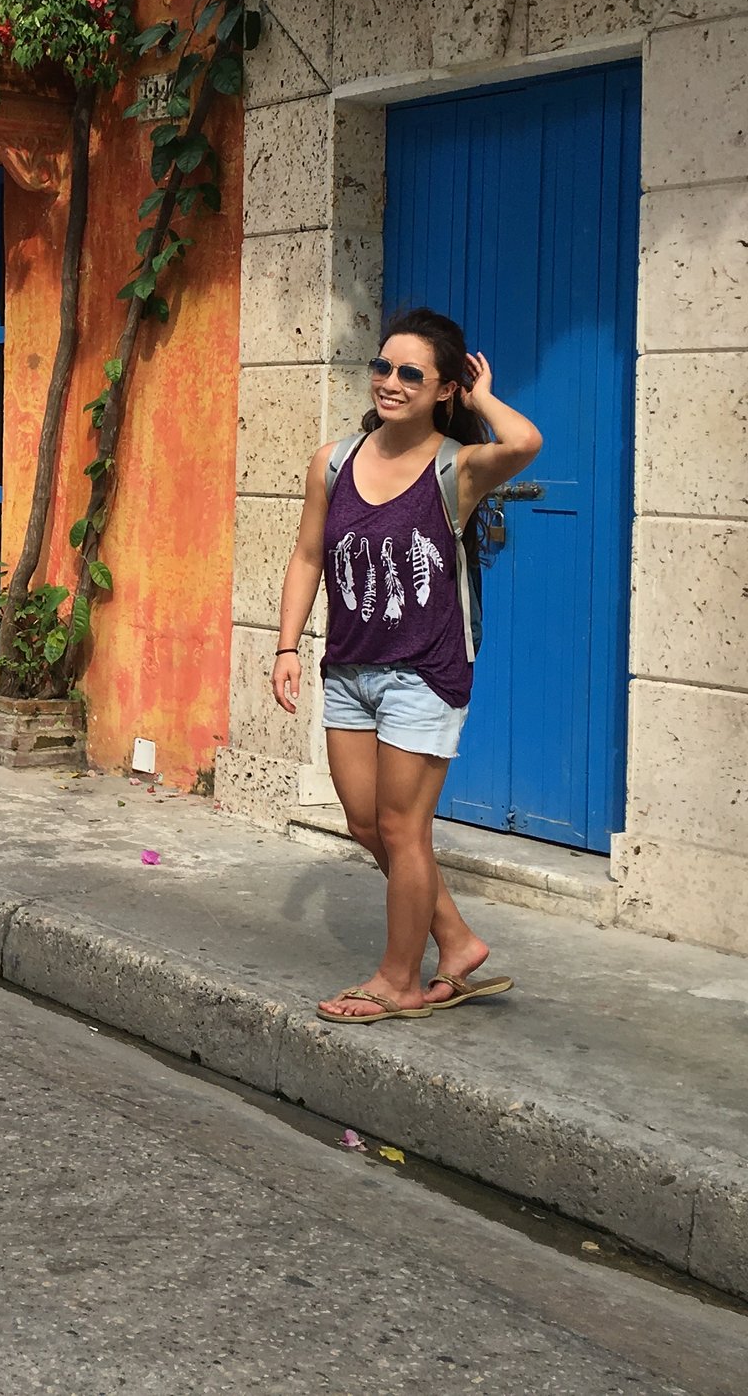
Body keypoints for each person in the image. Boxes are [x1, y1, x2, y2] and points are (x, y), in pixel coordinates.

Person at [272, 307, 543, 1025]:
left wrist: (482, 396)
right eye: (382, 367)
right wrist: (286, 644)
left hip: (424, 673)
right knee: (367, 822)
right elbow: (306, 557)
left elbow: (526, 441)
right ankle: (454, 941)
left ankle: (400, 979)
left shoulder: (457, 467)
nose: (390, 382)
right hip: (351, 669)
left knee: (403, 827)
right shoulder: (333, 461)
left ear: (442, 388)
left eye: (411, 373)